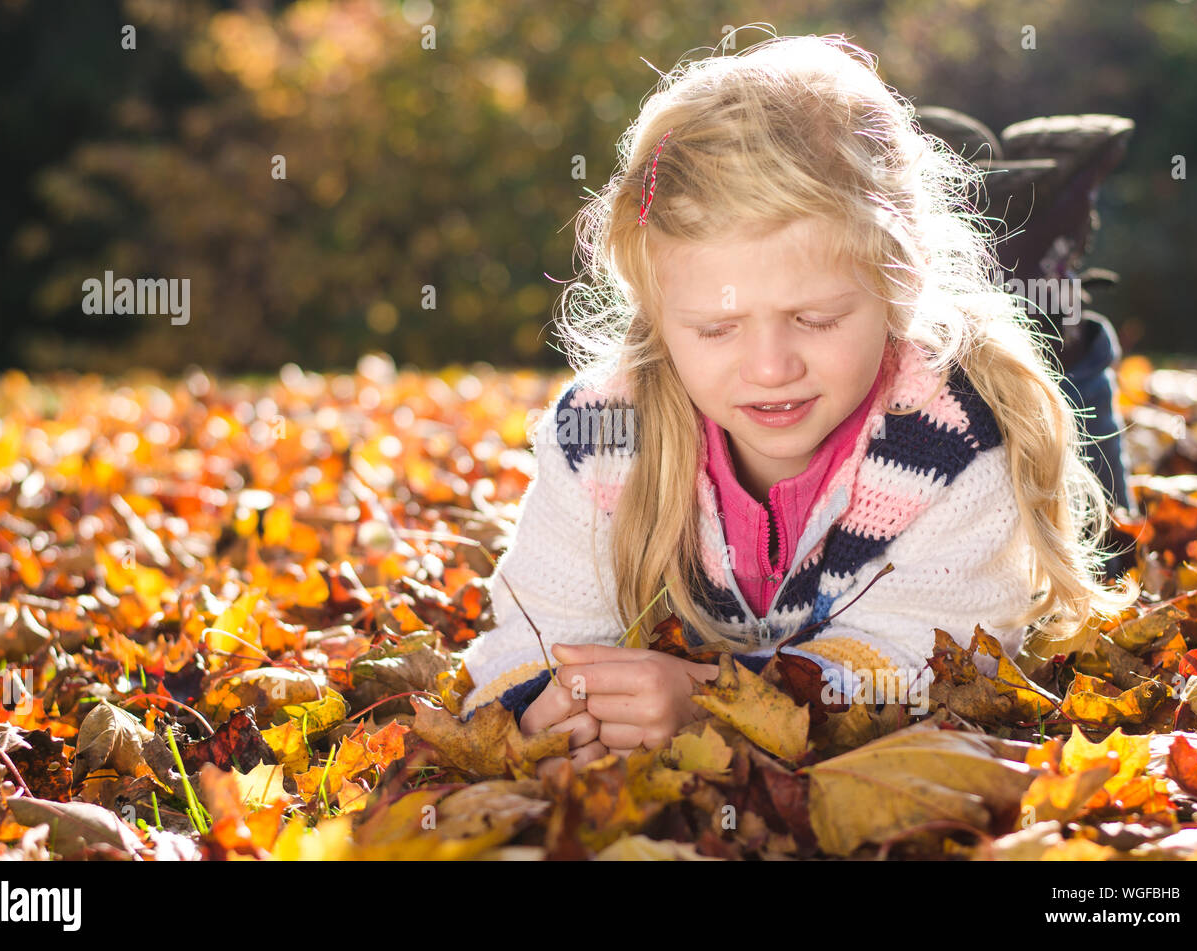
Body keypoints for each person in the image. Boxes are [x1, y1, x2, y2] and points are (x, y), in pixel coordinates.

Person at [457, 33, 1137, 775]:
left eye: (815, 318)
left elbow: (924, 659)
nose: (771, 367)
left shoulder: (958, 434)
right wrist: (547, 715)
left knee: (1100, 517)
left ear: (898, 286)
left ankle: (1045, 261)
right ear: (655, 310)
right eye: (717, 327)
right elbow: (526, 638)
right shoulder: (601, 434)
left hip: (979, 431)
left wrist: (717, 704)